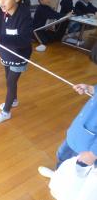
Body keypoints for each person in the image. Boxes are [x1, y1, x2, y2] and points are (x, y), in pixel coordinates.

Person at [38, 43, 97, 179]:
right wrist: (89, 88)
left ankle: (66, 185)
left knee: (79, 171)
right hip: (78, 134)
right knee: (63, 156)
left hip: (89, 146)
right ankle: (58, 175)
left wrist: (93, 154)